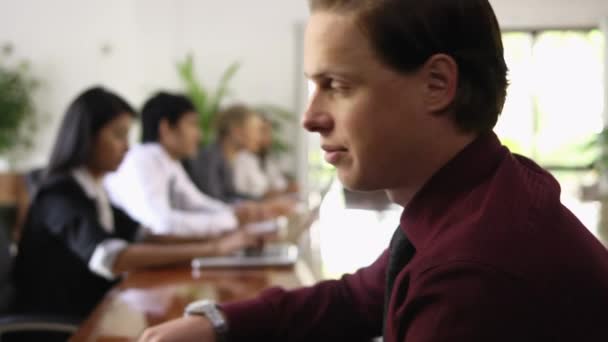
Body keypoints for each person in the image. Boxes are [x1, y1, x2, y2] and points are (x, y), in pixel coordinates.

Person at [139, 0, 608, 341]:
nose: (310, 117)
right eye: (312, 86)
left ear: (437, 84)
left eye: (336, 85)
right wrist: (217, 324)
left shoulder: (471, 276)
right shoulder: (473, 196)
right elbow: (361, 298)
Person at [14, 87, 258, 320]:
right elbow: (110, 257)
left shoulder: (94, 191)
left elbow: (144, 235)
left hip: (95, 311)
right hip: (60, 321)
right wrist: (212, 249)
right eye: (119, 135)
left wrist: (219, 244)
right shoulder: (60, 194)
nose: (127, 147)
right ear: (87, 137)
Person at [105, 93, 271, 237]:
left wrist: (236, 211)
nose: (199, 135)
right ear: (166, 128)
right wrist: (231, 219)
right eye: (192, 124)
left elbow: (197, 202)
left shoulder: (168, 161)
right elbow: (161, 224)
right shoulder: (144, 160)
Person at [184, 104, 265, 203]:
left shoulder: (226, 157)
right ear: (237, 131)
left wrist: (264, 202)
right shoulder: (210, 158)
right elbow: (214, 201)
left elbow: (230, 194)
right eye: (255, 130)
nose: (259, 137)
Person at [232, 116, 297, 199]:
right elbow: (238, 194)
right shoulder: (241, 158)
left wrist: (286, 189)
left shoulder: (268, 158)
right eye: (263, 132)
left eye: (269, 132)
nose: (268, 137)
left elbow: (279, 184)